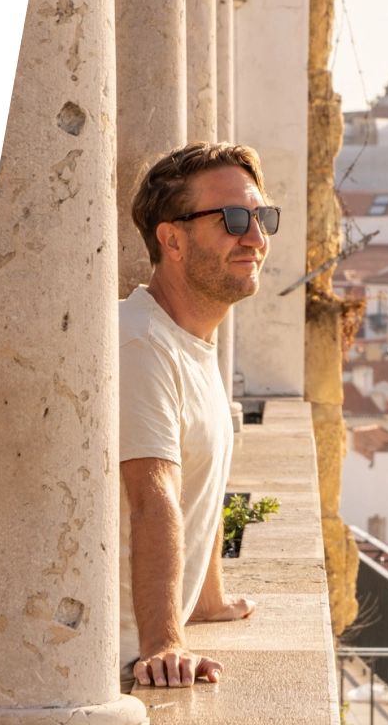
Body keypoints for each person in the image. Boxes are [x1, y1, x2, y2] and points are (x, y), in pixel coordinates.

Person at [119, 142, 281, 689]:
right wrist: (165, 641)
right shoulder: (140, 342)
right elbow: (152, 495)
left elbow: (199, 481)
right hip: (110, 660)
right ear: (173, 239)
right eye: (235, 219)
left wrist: (207, 598)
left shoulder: (188, 337)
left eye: (262, 217)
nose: (256, 238)